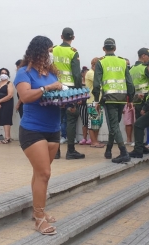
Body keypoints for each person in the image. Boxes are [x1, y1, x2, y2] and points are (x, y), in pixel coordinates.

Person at [14, 35, 62, 235]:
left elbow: (56, 96)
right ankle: (40, 219)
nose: (51, 55)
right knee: (44, 173)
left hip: (54, 128)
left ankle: (37, 211)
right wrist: (47, 88)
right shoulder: (24, 73)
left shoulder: (52, 73)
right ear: (39, 51)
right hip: (33, 129)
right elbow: (25, 96)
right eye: (49, 51)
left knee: (40, 173)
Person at [93, 38, 134, 163]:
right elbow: (130, 83)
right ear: (115, 48)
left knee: (114, 125)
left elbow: (96, 85)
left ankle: (123, 152)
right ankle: (109, 150)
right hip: (121, 98)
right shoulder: (123, 62)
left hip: (109, 99)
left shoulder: (101, 63)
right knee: (114, 125)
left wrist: (96, 101)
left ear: (104, 49)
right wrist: (130, 99)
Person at [53, 27, 85, 160]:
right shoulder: (73, 52)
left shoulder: (53, 50)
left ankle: (55, 151)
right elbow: (77, 74)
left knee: (56, 119)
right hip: (70, 89)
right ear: (73, 38)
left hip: (55, 88)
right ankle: (70, 151)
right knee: (71, 118)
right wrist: (78, 92)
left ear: (61, 37)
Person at [85, 57, 105, 148]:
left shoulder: (94, 73)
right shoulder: (90, 73)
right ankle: (93, 142)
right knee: (92, 122)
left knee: (98, 123)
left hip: (98, 101)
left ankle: (95, 141)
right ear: (93, 65)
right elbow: (99, 81)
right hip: (92, 101)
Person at [0, 68, 14, 144]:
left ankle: (7, 138)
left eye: (5, 73)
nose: (3, 74)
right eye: (2, 73)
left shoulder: (9, 83)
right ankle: (7, 136)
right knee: (2, 119)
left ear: (8, 75)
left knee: (6, 119)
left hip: (7, 103)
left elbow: (10, 95)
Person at [79, 66, 91, 145]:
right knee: (84, 122)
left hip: (89, 103)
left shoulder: (89, 83)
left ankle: (91, 138)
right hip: (82, 105)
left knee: (90, 121)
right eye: (85, 73)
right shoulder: (79, 83)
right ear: (82, 74)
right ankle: (84, 138)